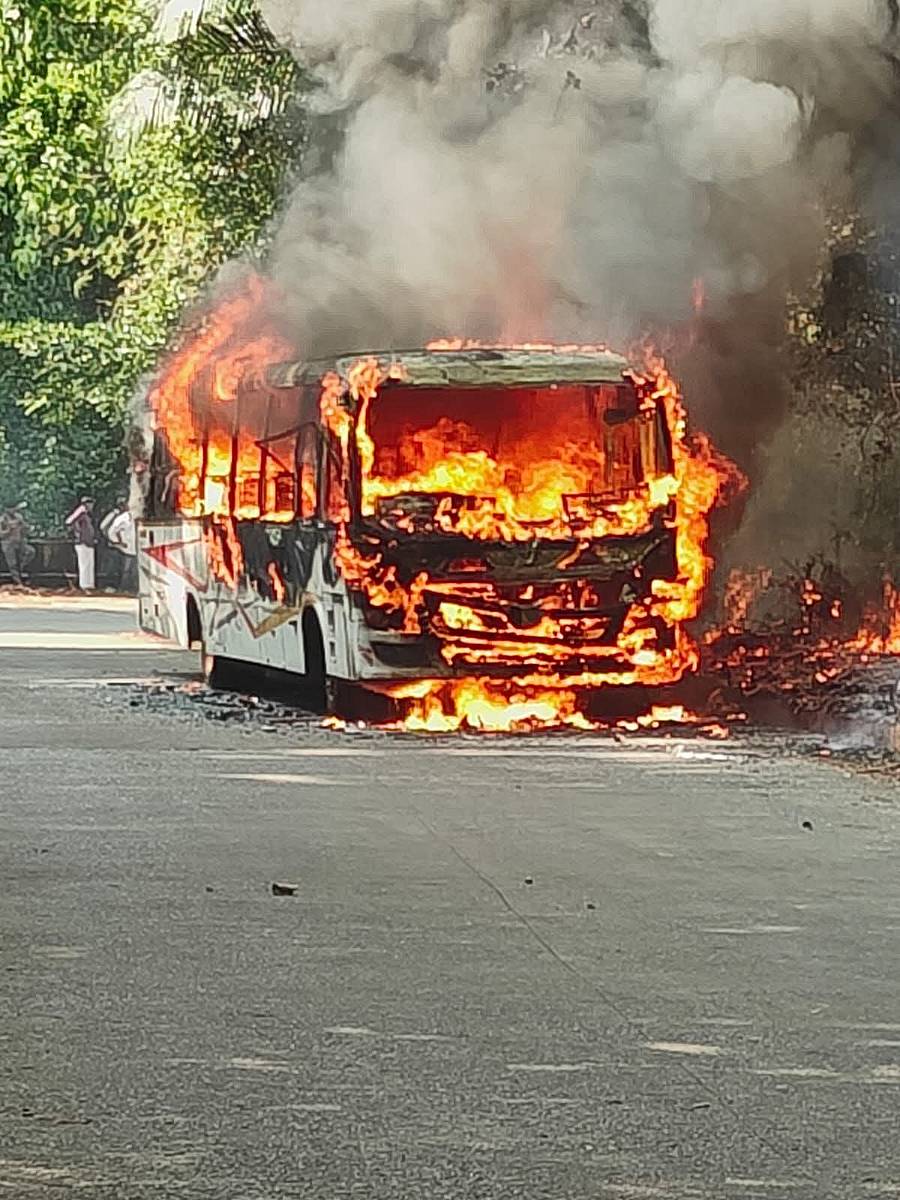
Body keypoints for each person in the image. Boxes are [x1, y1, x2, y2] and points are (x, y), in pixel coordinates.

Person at [65, 496, 97, 592]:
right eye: (90, 503)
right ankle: (84, 586)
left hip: (88, 542)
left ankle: (89, 585)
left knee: (89, 564)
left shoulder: (86, 514)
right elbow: (69, 521)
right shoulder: (81, 512)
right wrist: (78, 531)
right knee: (84, 564)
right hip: (82, 541)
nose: (92, 505)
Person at [0, 502, 35, 587]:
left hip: (19, 542)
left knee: (30, 552)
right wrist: (9, 530)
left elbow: (25, 529)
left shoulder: (19, 517)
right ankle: (18, 582)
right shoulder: (2, 520)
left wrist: (27, 528)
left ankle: (22, 568)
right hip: (8, 543)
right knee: (12, 564)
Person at [106, 504, 138, 594]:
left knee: (134, 570)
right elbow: (111, 531)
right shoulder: (122, 519)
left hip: (136, 549)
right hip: (126, 549)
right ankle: (123, 589)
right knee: (125, 570)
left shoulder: (138, 518)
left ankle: (133, 589)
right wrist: (118, 542)